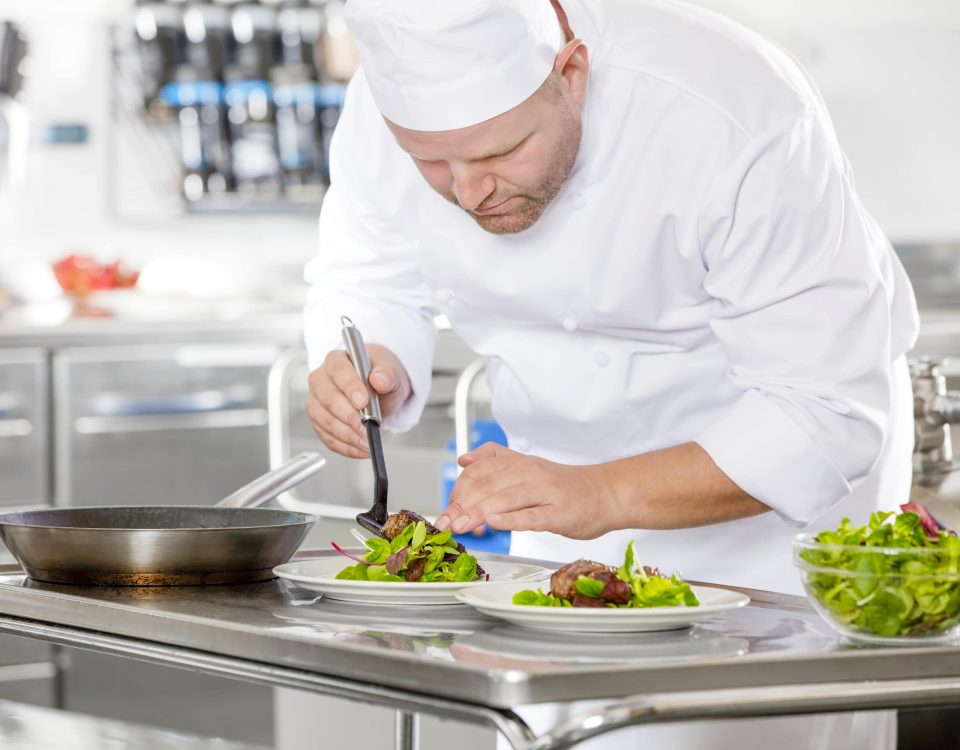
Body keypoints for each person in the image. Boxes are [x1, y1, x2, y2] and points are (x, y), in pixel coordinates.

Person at [303, 1, 918, 747]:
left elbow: (825, 412)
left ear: (572, 72)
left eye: (501, 153)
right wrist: (373, 365)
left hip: (769, 534)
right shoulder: (383, 106)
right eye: (432, 163)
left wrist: (602, 490)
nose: (468, 193)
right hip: (554, 521)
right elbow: (372, 273)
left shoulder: (732, 107)